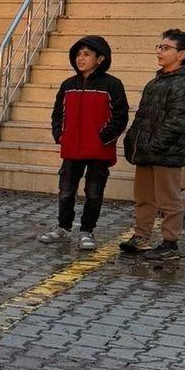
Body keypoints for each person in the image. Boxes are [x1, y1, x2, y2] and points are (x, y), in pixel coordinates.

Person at [38, 35, 129, 250]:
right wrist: (59, 135)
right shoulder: (68, 85)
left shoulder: (112, 85)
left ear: (100, 59)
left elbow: (120, 115)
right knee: (66, 191)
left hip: (99, 150)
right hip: (71, 149)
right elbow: (57, 113)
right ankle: (63, 228)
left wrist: (102, 137)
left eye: (87, 54)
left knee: (94, 192)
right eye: (78, 54)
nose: (81, 58)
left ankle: (87, 231)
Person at [121, 28, 185, 261]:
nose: (159, 52)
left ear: (181, 54)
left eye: (166, 48)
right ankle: (141, 237)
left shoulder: (184, 84)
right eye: (159, 47)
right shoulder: (156, 81)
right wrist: (132, 139)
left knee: (168, 200)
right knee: (144, 198)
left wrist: (154, 145)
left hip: (166, 153)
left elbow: (178, 121)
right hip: (146, 151)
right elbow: (142, 115)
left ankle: (170, 243)